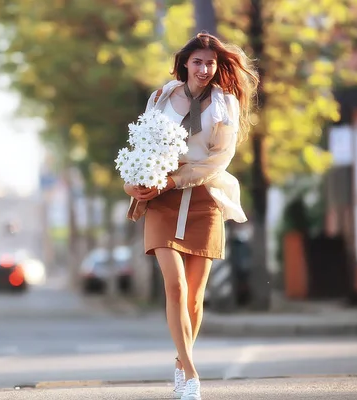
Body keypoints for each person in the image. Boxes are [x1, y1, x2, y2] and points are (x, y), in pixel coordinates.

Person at [123, 32, 259, 400]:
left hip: (203, 199)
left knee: (195, 298)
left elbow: (218, 160)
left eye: (210, 63)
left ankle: (181, 366)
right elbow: (141, 148)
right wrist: (133, 183)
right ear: (185, 63)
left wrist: (175, 180)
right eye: (197, 62)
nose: (203, 69)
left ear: (217, 67)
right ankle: (193, 376)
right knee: (176, 286)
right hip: (162, 203)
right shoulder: (161, 97)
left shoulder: (224, 104)